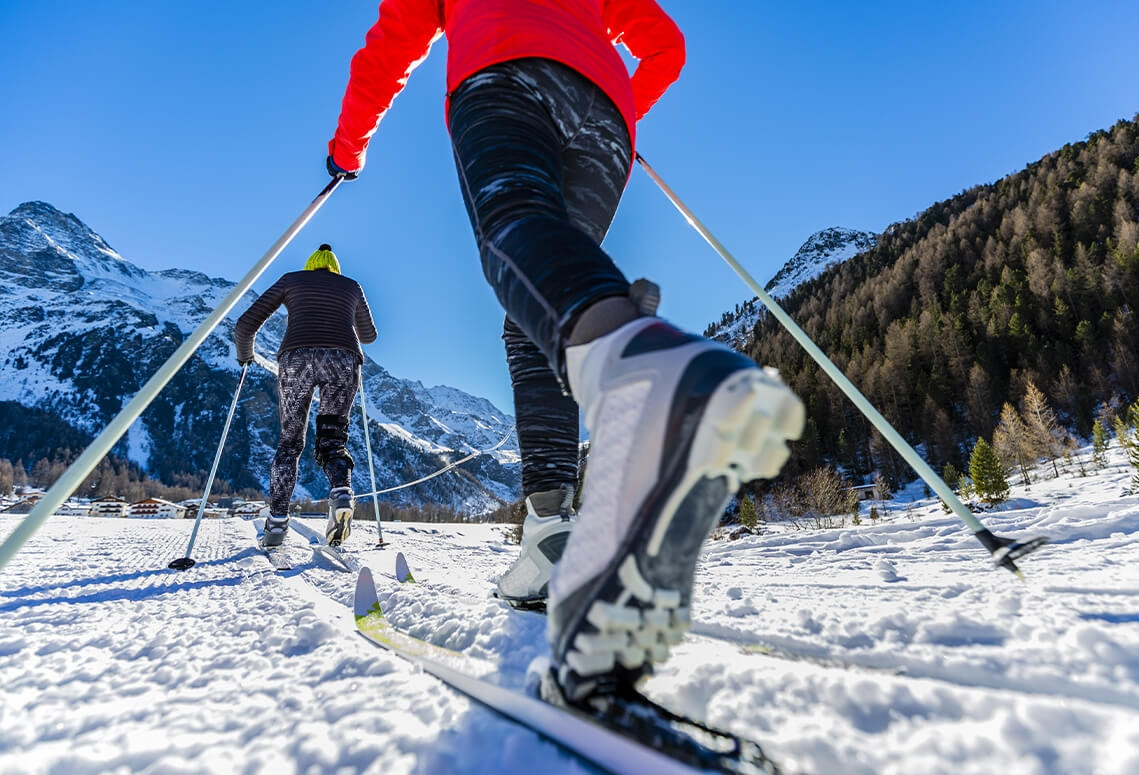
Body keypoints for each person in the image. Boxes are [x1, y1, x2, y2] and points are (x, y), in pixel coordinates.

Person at [326, 0, 805, 703]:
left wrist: (348, 147)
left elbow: (391, 42)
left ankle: (648, 375)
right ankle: (551, 532)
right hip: (605, 113)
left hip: (504, 77)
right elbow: (666, 46)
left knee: (514, 230)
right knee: (541, 304)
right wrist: (625, 109)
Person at [234, 244, 378, 548]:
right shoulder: (351, 286)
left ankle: (275, 524)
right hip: (344, 360)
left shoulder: (291, 280)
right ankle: (341, 492)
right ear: (334, 269)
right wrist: (343, 310)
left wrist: (246, 357)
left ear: (310, 265)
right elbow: (369, 336)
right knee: (333, 440)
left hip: (296, 360)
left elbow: (246, 325)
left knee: (290, 443)